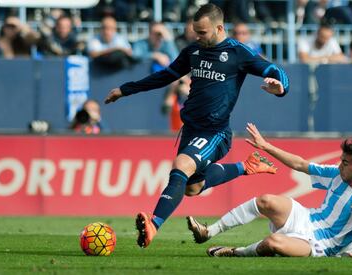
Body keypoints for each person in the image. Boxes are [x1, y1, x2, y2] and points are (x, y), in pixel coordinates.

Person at [104, 3, 289, 249]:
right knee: (193, 187)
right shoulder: (193, 51)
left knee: (181, 165)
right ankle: (245, 166)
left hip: (215, 132)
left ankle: (154, 223)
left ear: (219, 27)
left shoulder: (237, 53)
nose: (197, 37)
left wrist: (280, 88)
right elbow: (165, 76)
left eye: (202, 32)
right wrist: (125, 90)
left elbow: (274, 70)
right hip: (191, 129)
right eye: (195, 32)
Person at [187, 123, 352, 259]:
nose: (340, 165)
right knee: (266, 201)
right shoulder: (337, 174)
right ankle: (209, 231)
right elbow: (300, 164)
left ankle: (235, 252)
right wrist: (266, 146)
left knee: (274, 243)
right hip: (307, 218)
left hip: (323, 247)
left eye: (345, 163)